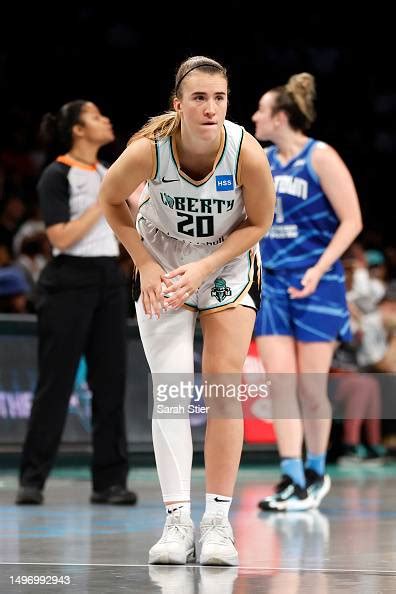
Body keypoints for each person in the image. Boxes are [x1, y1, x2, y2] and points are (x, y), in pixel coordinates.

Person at [99, 56, 275, 565]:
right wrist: (144, 266)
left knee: (223, 385)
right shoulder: (148, 151)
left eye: (219, 97)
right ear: (177, 105)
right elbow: (113, 202)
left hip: (225, 264)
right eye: (199, 97)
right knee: (172, 387)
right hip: (163, 261)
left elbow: (259, 221)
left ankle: (217, 522)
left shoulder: (246, 153)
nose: (211, 107)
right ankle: (177, 521)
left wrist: (205, 268)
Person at [16, 100, 137, 506]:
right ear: (78, 130)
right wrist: (104, 200)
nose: (106, 119)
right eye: (96, 116)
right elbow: (61, 238)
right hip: (68, 280)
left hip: (108, 281)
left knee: (110, 385)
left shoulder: (107, 173)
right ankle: (32, 479)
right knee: (55, 383)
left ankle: (110, 482)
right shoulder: (58, 173)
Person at [251, 73, 363, 511]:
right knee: (280, 385)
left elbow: (352, 220)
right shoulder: (260, 160)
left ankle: (316, 470)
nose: (255, 117)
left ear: (280, 117)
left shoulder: (322, 157)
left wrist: (318, 269)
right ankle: (291, 476)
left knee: (311, 389)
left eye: (261, 110)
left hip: (317, 282)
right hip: (274, 281)